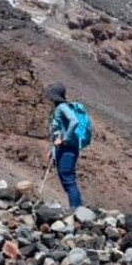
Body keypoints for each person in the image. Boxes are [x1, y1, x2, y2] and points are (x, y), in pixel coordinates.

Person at [45, 82, 84, 210]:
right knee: (66, 179)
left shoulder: (62, 107)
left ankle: (76, 210)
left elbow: (74, 121)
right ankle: (77, 209)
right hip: (64, 148)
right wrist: (53, 150)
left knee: (68, 179)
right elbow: (58, 132)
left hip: (67, 148)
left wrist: (64, 139)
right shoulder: (59, 108)